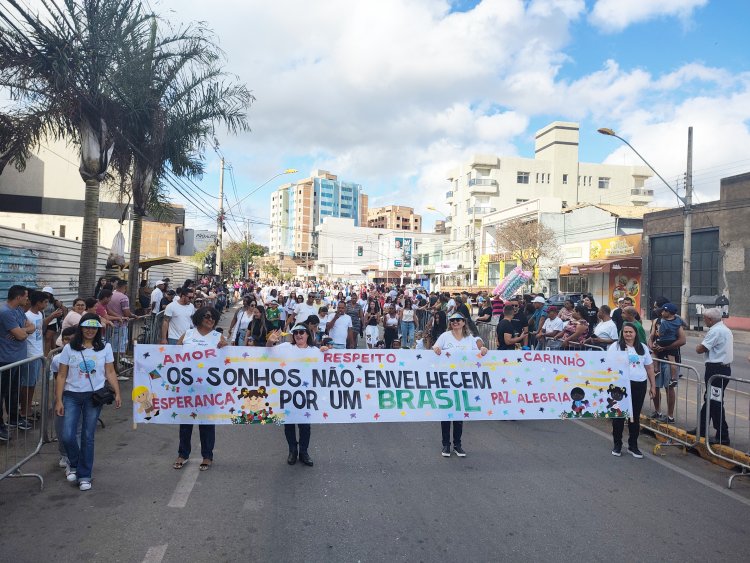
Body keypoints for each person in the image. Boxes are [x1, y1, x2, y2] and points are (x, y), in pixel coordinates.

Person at [55, 314, 122, 490]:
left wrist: (117, 392)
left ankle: (85, 475)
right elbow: (61, 375)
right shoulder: (69, 348)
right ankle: (75, 464)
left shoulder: (105, 347)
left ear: (98, 329)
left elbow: (110, 372)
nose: (90, 331)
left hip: (93, 396)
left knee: (87, 436)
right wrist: (58, 400)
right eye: (87, 327)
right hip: (71, 395)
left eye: (94, 328)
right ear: (81, 328)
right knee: (68, 435)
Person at [173, 307, 228, 471]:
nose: (210, 319)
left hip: (208, 387)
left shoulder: (218, 336)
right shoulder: (188, 334)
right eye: (207, 316)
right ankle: (183, 454)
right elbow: (174, 355)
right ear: (199, 317)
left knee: (207, 423)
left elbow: (227, 360)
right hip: (187, 385)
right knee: (186, 422)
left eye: (213, 317)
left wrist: (225, 347)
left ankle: (207, 456)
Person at [433, 312, 488, 457]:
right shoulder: (445, 336)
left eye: (458, 320)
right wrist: (436, 349)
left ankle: (457, 444)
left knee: (459, 412)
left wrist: (483, 350)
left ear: (464, 322)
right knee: (446, 412)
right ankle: (446, 444)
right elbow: (435, 348)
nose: (455, 322)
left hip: (463, 380)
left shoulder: (469, 339)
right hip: (446, 379)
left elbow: (478, 353)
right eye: (452, 320)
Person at [266, 323, 318, 466]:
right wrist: (270, 341)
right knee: (289, 424)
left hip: (306, 394)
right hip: (287, 392)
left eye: (302, 332)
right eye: (296, 333)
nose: (299, 335)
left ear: (308, 334)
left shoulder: (314, 350)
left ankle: (303, 452)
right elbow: (268, 351)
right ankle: (292, 450)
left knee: (305, 425)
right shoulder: (286, 347)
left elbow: (325, 365)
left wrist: (327, 351)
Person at [608, 322, 656, 458]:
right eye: (625, 332)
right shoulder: (615, 347)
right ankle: (617, 444)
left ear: (635, 333)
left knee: (634, 416)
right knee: (619, 416)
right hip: (620, 385)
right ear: (622, 333)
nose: (628, 334)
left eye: (631, 332)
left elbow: (650, 367)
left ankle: (633, 446)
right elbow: (608, 364)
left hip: (639, 384)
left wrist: (653, 386)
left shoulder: (643, 348)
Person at [690, 308, 733, 445]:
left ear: (709, 319)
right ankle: (702, 428)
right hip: (722, 368)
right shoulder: (724, 329)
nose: (703, 320)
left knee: (715, 402)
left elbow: (701, 348)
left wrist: (698, 346)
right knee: (709, 399)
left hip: (716, 369)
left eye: (704, 318)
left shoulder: (715, 331)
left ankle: (723, 435)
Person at [0, 286, 36, 438]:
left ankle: (14, 418)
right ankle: (1, 425)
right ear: (19, 297)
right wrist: (22, 331)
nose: (28, 299)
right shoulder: (5, 312)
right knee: (1, 393)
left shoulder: (19, 310)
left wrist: (22, 330)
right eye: (26, 296)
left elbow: (31, 327)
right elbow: (21, 335)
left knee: (13, 391)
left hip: (17, 359)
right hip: (5, 360)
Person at [650, 302, 686, 423]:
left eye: (663, 310)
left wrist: (665, 348)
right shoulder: (656, 322)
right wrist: (652, 346)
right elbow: (650, 337)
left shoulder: (676, 323)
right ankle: (657, 411)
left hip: (670, 358)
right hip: (657, 358)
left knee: (669, 388)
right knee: (655, 386)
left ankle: (670, 415)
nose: (661, 312)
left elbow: (682, 340)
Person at [20, 290, 50, 421]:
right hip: (30, 355)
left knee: (32, 384)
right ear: (38, 302)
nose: (47, 304)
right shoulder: (27, 316)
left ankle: (28, 409)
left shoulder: (40, 314)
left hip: (38, 354)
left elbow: (40, 328)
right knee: (27, 384)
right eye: (45, 302)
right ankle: (24, 411)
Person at [53, 327, 78, 469]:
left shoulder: (84, 354)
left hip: (80, 396)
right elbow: (58, 379)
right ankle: (64, 454)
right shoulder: (57, 359)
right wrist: (58, 399)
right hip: (64, 396)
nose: (68, 342)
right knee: (62, 427)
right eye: (66, 339)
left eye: (72, 339)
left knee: (77, 429)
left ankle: (76, 458)